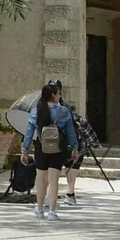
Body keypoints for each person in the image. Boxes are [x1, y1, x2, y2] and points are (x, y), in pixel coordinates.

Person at [20, 81, 79, 221]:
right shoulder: (63, 111)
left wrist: (25, 150)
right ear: (53, 95)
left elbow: (29, 132)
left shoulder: (36, 111)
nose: (60, 96)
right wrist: (74, 148)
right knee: (54, 180)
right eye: (58, 94)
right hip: (58, 148)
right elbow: (71, 132)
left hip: (41, 147)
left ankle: (40, 209)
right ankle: (52, 211)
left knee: (41, 179)